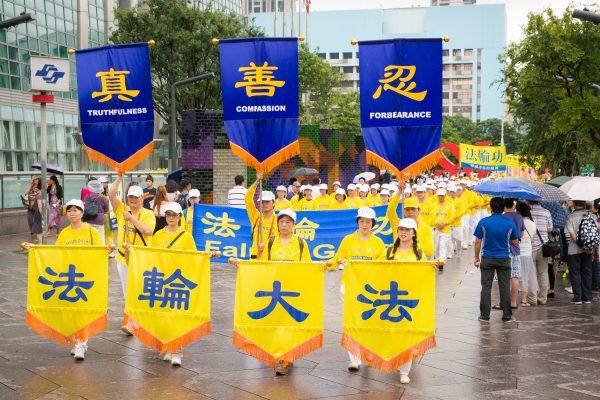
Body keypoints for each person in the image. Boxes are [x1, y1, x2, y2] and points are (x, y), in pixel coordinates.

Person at [24, 199, 103, 360]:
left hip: (86, 277)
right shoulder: (65, 233)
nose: (72, 213)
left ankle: (81, 342)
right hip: (69, 278)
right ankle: (75, 340)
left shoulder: (91, 231)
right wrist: (35, 249)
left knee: (84, 311)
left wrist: (107, 250)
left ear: (82, 212)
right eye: (69, 210)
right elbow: (56, 254)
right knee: (71, 311)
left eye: (76, 210)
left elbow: (100, 252)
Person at [150, 201, 197, 367]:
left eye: (174, 215)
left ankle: (177, 350)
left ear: (179, 217)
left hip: (178, 282)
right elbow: (151, 256)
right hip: (162, 280)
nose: (171, 218)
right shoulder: (158, 235)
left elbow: (193, 258)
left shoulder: (186, 237)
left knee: (177, 316)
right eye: (168, 215)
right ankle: (167, 345)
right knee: (163, 315)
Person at [108, 175, 156, 333]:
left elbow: (148, 231)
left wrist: (132, 219)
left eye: (136, 197)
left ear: (142, 198)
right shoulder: (122, 209)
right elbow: (111, 194)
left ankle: (139, 319)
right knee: (127, 291)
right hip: (123, 257)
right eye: (130, 197)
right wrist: (119, 177)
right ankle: (131, 322)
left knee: (139, 290)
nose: (133, 200)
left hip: (142, 260)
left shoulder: (148, 214)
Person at [474, 197, 519, 323]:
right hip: (504, 259)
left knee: (486, 287)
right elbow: (515, 241)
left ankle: (484, 316)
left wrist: (476, 257)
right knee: (504, 287)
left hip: (487, 258)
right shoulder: (510, 223)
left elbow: (478, 241)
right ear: (503, 208)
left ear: (491, 207)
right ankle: (507, 316)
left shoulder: (483, 222)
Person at [326, 206, 385, 271]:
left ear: (372, 223)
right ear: (358, 222)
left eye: (368, 222)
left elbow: (383, 263)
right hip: (350, 279)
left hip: (370, 279)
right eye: (362, 221)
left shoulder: (378, 242)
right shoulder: (348, 239)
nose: (364, 224)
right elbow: (337, 258)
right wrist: (327, 265)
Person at [387, 194, 434, 260]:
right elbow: (390, 211)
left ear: (419, 210)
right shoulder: (398, 224)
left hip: (416, 264)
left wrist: (408, 246)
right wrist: (399, 192)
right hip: (398, 263)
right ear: (403, 211)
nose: (410, 212)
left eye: (413, 209)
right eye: (407, 209)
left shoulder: (426, 228)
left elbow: (429, 251)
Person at [565, 200, 594, 304]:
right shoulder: (591, 216)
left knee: (575, 273)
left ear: (574, 204)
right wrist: (587, 247)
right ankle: (587, 297)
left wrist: (581, 245)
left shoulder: (570, 217)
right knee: (587, 273)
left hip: (574, 250)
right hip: (589, 250)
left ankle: (577, 298)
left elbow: (572, 236)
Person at [245, 173, 277, 258]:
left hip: (271, 257)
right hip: (255, 255)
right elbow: (248, 198)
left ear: (273, 203)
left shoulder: (279, 220)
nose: (264, 204)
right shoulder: (256, 216)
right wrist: (257, 181)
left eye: (267, 202)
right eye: (262, 202)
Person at [528, 200, 553, 305]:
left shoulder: (527, 213)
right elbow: (550, 229)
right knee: (543, 272)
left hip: (531, 246)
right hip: (544, 246)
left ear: (529, 200)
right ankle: (542, 298)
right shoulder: (546, 212)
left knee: (531, 273)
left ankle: (532, 298)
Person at [501, 198, 525, 309]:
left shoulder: (502, 217)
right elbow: (521, 234)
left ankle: (503, 302)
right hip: (515, 250)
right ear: (513, 206)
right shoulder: (519, 217)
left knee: (504, 278)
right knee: (515, 277)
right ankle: (513, 302)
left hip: (503, 251)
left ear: (504, 206)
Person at [517, 202, 539, 307]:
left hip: (516, 253)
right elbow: (532, 240)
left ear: (518, 212)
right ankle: (524, 300)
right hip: (527, 253)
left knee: (514, 276)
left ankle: (512, 298)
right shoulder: (533, 224)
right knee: (526, 277)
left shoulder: (517, 223)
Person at [430, 189, 455, 263]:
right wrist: (436, 223)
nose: (441, 197)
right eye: (439, 195)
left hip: (446, 229)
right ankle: (437, 259)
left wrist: (444, 223)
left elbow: (452, 217)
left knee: (443, 244)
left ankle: (442, 260)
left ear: (445, 196)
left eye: (442, 195)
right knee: (436, 245)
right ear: (437, 196)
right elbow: (431, 216)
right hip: (436, 228)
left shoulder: (450, 205)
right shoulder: (433, 205)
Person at [83, 180, 110, 244]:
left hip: (89, 218)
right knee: (100, 235)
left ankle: (91, 248)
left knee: (90, 235)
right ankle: (101, 249)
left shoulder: (87, 197)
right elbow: (106, 210)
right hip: (99, 219)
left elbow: (84, 206)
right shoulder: (103, 198)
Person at [25, 177, 43, 244]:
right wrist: (31, 184)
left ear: (38, 180)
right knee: (30, 220)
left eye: (36, 179)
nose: (35, 180)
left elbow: (42, 195)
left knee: (36, 223)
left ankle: (37, 236)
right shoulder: (32, 186)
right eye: (34, 179)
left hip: (36, 208)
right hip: (30, 207)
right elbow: (26, 193)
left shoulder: (40, 187)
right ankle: (35, 234)